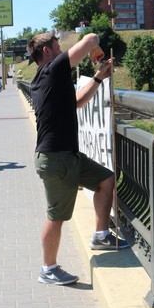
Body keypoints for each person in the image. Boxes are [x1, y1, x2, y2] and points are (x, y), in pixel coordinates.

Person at [28, 32, 129, 286]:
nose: (61, 48)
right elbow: (91, 38)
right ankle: (48, 269)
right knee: (56, 216)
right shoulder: (52, 70)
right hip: (56, 158)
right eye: (57, 45)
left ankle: (101, 234)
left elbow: (77, 102)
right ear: (47, 51)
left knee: (106, 180)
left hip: (67, 156)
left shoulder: (46, 79)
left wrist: (97, 78)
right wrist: (95, 50)